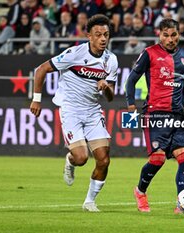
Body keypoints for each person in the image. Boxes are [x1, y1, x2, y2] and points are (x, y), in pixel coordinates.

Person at [30, 14, 118, 212]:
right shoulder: (73, 54)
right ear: (89, 36)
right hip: (71, 109)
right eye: (98, 35)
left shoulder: (111, 60)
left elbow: (111, 97)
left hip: (93, 111)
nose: (103, 38)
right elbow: (41, 70)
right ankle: (70, 160)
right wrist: (36, 99)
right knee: (81, 158)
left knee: (104, 159)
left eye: (106, 34)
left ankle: (89, 202)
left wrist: (106, 88)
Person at [125, 18, 184, 213]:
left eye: (173, 35)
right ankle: (140, 191)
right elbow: (131, 80)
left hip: (177, 115)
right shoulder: (149, 54)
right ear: (159, 35)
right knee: (157, 159)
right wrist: (130, 104)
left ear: (179, 34)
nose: (170, 39)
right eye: (166, 35)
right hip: (154, 114)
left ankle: (182, 201)